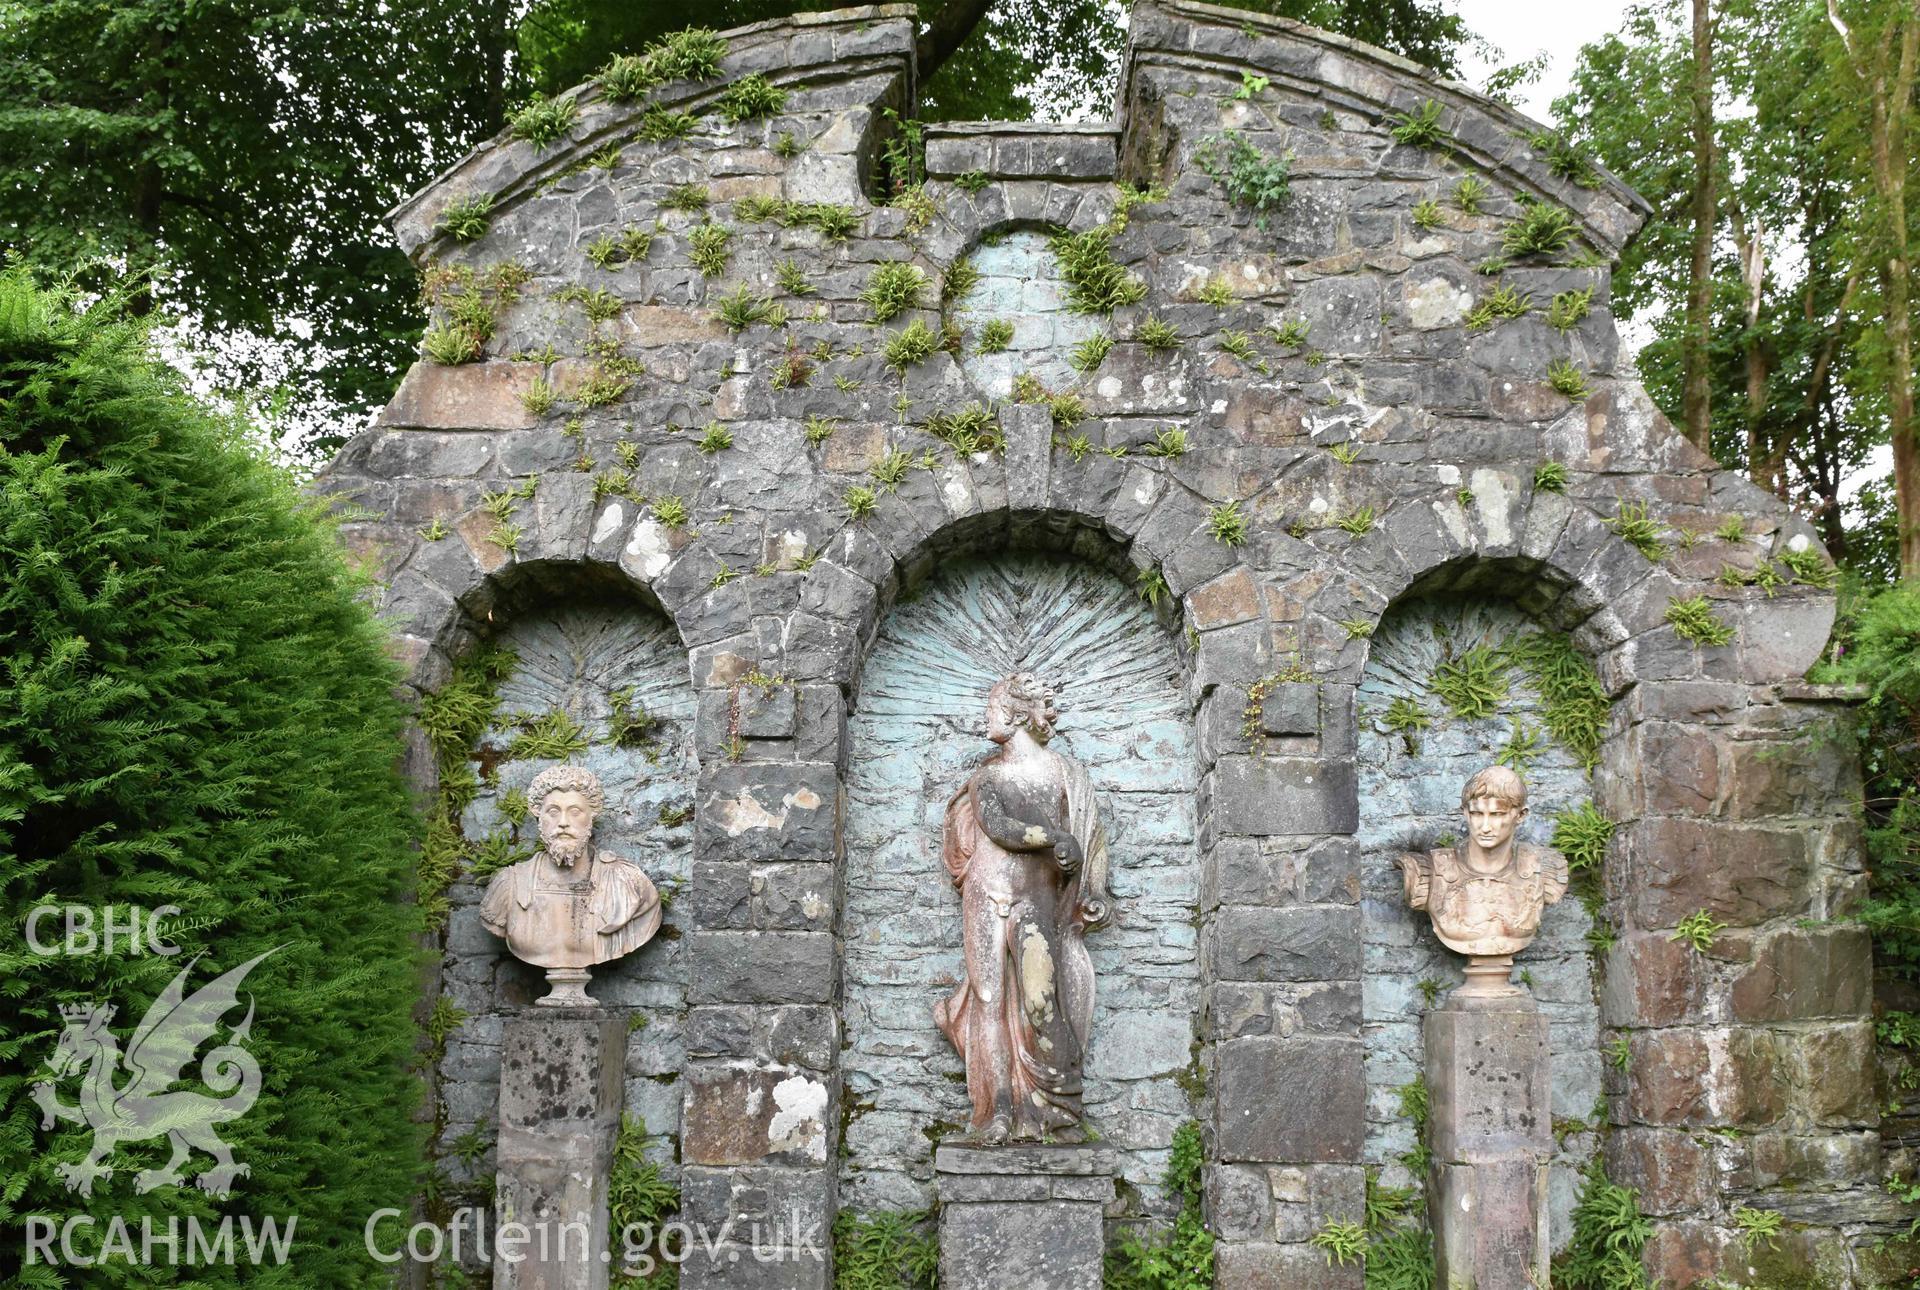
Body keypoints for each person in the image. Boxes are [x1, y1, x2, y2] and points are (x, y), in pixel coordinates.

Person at [934, 672, 1114, 1143]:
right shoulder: (987, 776)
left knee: (1040, 999)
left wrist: (1090, 883)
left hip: (1035, 899)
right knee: (989, 1001)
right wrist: (1053, 838)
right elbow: (998, 827)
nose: (985, 719)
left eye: (991, 709)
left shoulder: (1065, 775)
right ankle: (996, 1112)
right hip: (985, 891)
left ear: (1014, 714)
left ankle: (1059, 1109)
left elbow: (1090, 837)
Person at [481, 764, 661, 1006]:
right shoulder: (509, 886)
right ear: (539, 817)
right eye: (553, 811)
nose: (563, 822)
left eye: (575, 811)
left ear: (591, 817)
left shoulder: (627, 884)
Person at [1400, 764, 1567, 998]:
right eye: (1477, 814)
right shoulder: (1432, 871)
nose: (1485, 827)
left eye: (1497, 814)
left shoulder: (1543, 869)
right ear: (1465, 813)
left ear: (1520, 815)